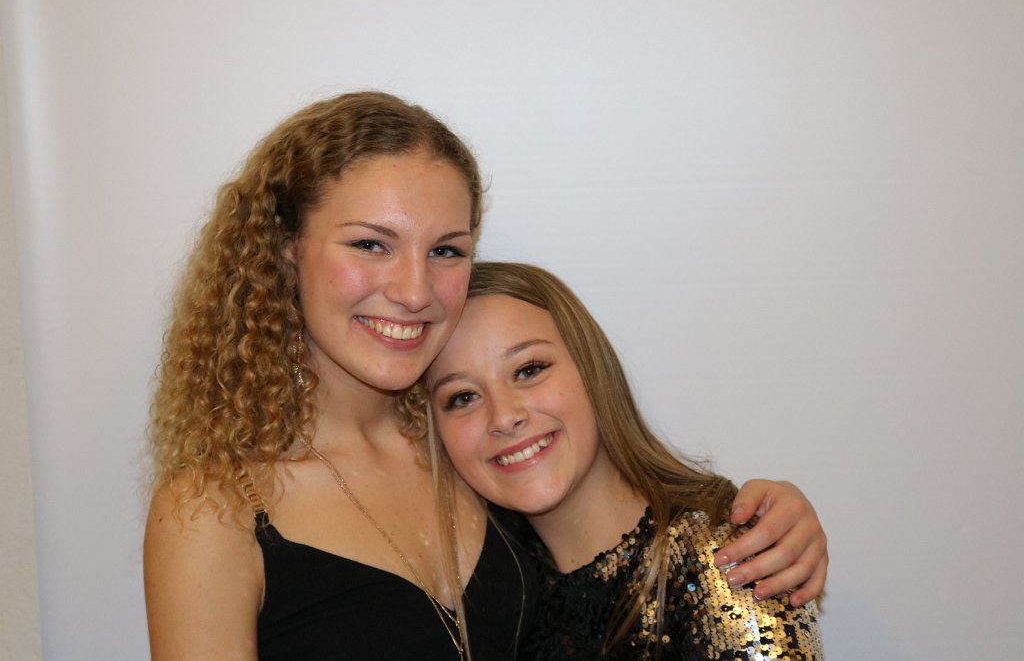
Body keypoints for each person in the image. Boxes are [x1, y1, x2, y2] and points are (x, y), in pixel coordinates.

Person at [144, 91, 827, 660]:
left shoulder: (469, 446)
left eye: (445, 250)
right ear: (284, 251)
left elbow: (619, 557)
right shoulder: (212, 511)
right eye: (371, 244)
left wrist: (765, 515)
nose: (414, 290)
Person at [421, 261, 825, 660]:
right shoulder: (482, 591)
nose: (504, 417)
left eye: (529, 370)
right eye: (463, 397)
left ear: (592, 369)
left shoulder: (724, 559)